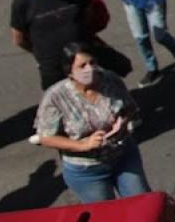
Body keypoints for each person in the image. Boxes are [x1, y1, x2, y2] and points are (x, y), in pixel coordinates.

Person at [35, 42, 149, 203]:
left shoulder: (110, 80)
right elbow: (45, 137)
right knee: (105, 217)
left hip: (123, 155)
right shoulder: (56, 97)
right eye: (82, 66)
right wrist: (84, 145)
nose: (90, 69)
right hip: (87, 170)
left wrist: (123, 122)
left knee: (141, 203)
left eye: (92, 63)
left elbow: (130, 107)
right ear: (70, 72)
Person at [11, 0, 112, 90]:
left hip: (83, 62)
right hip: (53, 69)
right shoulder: (22, 3)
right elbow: (19, 39)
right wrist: (41, 52)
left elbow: (87, 15)